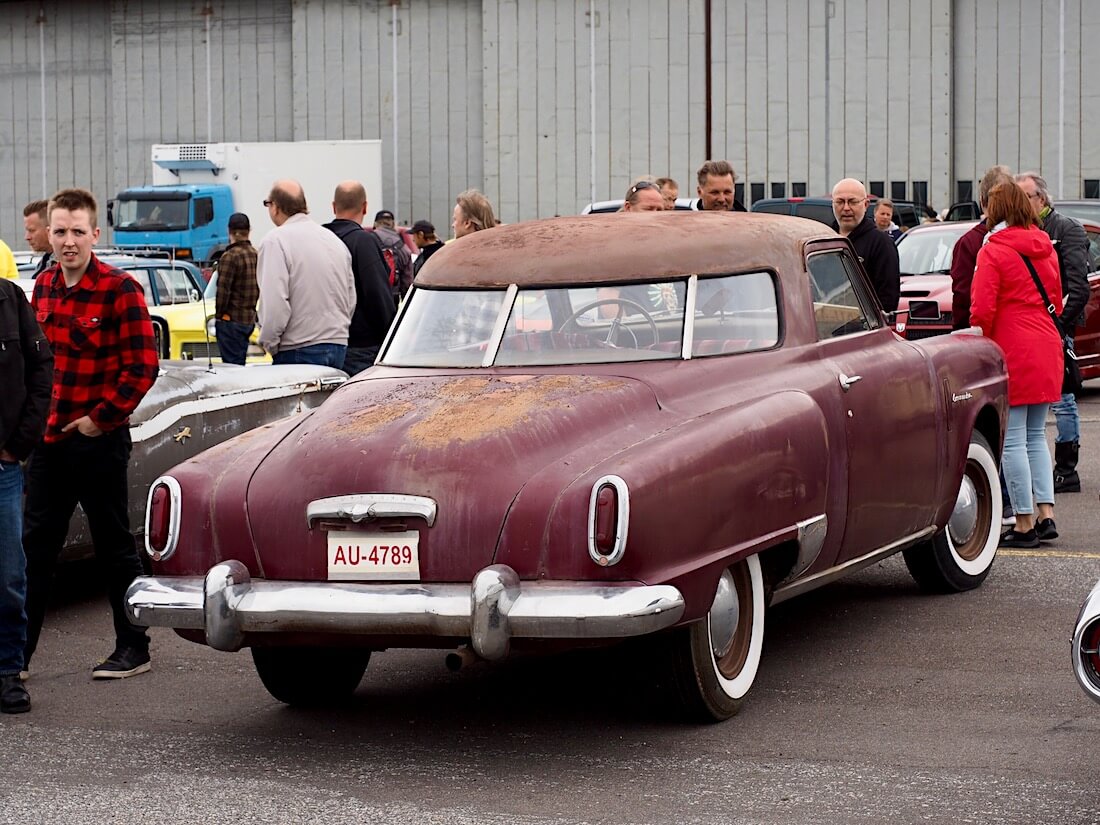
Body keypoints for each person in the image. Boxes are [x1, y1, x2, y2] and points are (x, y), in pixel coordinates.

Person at [23, 188, 159, 680]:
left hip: (98, 441)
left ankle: (133, 647)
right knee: (34, 550)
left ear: (95, 234)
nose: (68, 241)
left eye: (78, 231)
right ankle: (15, 657)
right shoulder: (43, 288)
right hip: (49, 442)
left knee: (113, 546)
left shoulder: (119, 289)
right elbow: (36, 366)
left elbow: (143, 366)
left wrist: (100, 419)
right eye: (59, 231)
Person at [970, 182, 1063, 548]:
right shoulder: (1044, 245)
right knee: (1037, 435)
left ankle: (1023, 522)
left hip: (1013, 346)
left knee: (1012, 440)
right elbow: (1055, 296)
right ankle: (1045, 513)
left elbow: (982, 308)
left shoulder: (994, 249)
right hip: (1045, 343)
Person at [1017, 171, 1091, 494]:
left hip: (1057, 325)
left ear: (1042, 199)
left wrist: (1060, 323)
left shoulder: (1067, 229)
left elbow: (1078, 287)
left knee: (1062, 396)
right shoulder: (1021, 231)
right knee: (1038, 401)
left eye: (1026, 197)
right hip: (1030, 329)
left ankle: (1066, 469)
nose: (1021, 204)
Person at [0, 276, 52, 711]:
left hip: (2, 465)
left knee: (9, 576)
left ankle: (7, 673)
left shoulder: (9, 298)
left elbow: (41, 371)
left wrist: (19, 443)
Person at [257, 180, 355, 367]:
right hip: (338, 343)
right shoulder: (333, 241)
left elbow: (275, 303)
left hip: (297, 347)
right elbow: (350, 299)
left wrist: (269, 342)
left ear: (275, 207)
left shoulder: (275, 241)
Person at [323, 181, 397, 374]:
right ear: (365, 207)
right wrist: (391, 335)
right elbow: (377, 294)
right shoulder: (363, 242)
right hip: (361, 345)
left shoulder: (319, 239)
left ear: (333, 206)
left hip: (322, 342)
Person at [951, 165, 1015, 330]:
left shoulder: (970, 243)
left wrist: (961, 333)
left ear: (981, 200)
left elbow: (963, 297)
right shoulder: (1036, 238)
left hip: (989, 334)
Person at [831, 178, 900, 312]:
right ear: (832, 203)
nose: (846, 208)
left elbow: (888, 300)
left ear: (866, 204)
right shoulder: (824, 239)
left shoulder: (881, 244)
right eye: (840, 202)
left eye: (852, 202)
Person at [213, 212, 258, 366]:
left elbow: (223, 291)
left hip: (231, 321)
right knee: (240, 364)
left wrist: (219, 315)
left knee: (231, 368)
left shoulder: (229, 256)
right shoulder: (256, 254)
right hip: (248, 320)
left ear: (229, 231)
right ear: (249, 230)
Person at [371, 209, 413, 302]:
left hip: (372, 297)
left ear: (375, 224)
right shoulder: (402, 247)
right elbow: (407, 281)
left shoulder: (369, 240)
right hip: (392, 297)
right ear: (393, 224)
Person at [23, 200, 53, 276]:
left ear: (49, 230)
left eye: (31, 230)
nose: (27, 237)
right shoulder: (44, 263)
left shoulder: (66, 268)